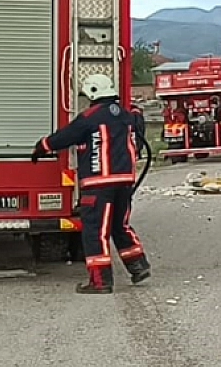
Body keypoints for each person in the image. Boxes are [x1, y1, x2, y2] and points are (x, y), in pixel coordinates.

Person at [32, 73, 152, 294]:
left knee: (95, 231)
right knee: (120, 226)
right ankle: (138, 266)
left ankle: (100, 282)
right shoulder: (125, 116)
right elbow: (138, 122)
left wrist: (42, 146)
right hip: (124, 181)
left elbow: (63, 137)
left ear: (92, 92)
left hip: (99, 184)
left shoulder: (89, 117)